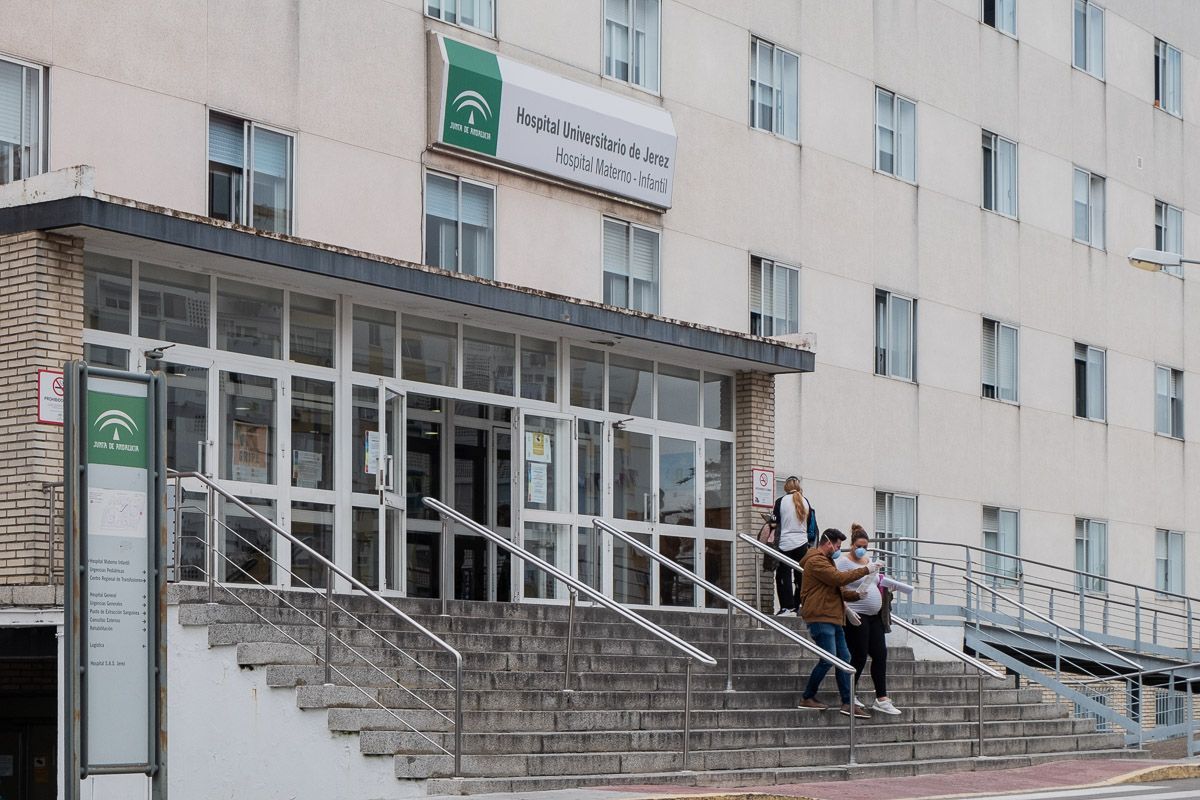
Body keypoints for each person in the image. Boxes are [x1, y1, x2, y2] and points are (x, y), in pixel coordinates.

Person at [797, 528, 880, 717]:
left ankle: (847, 702)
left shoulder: (827, 562)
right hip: (820, 616)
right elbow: (838, 579)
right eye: (837, 546)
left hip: (833, 617)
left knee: (844, 659)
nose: (838, 550)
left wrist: (856, 595)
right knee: (829, 658)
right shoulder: (816, 561)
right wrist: (866, 570)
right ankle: (807, 697)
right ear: (828, 542)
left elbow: (838, 590)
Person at [837, 523, 914, 716]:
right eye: (858, 546)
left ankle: (882, 698)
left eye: (865, 546)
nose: (861, 549)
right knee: (859, 655)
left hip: (874, 616)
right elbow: (837, 587)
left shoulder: (868, 560)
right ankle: (850, 694)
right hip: (856, 614)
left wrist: (887, 585)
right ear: (852, 545)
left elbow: (874, 582)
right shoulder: (843, 562)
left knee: (880, 654)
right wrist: (846, 609)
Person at [772, 476, 817, 616]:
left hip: (785, 543)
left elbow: (775, 521)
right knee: (800, 575)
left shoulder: (781, 501)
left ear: (786, 487)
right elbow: (809, 523)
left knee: (783, 575)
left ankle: (787, 607)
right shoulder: (805, 501)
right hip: (802, 544)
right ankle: (798, 605)